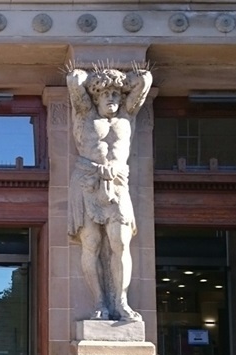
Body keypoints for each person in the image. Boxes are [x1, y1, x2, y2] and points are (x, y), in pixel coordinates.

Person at [66, 65, 152, 321]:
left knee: (121, 243)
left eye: (116, 94)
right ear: (96, 96)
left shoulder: (128, 116)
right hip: (87, 182)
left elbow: (144, 81)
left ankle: (121, 302)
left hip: (116, 184)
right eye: (106, 94)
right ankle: (100, 303)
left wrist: (127, 79)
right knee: (91, 244)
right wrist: (82, 76)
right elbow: (74, 81)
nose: (112, 99)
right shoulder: (85, 115)